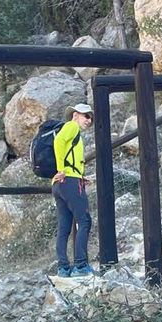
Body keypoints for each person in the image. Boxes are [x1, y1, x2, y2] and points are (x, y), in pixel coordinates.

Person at [53, 102, 95, 277]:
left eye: (90, 117)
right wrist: (62, 169)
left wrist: (78, 175)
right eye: (86, 116)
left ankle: (63, 268)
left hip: (59, 184)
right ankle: (81, 265)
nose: (89, 120)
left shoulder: (73, 132)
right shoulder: (71, 126)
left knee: (64, 226)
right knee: (84, 221)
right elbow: (58, 142)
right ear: (75, 115)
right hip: (68, 181)